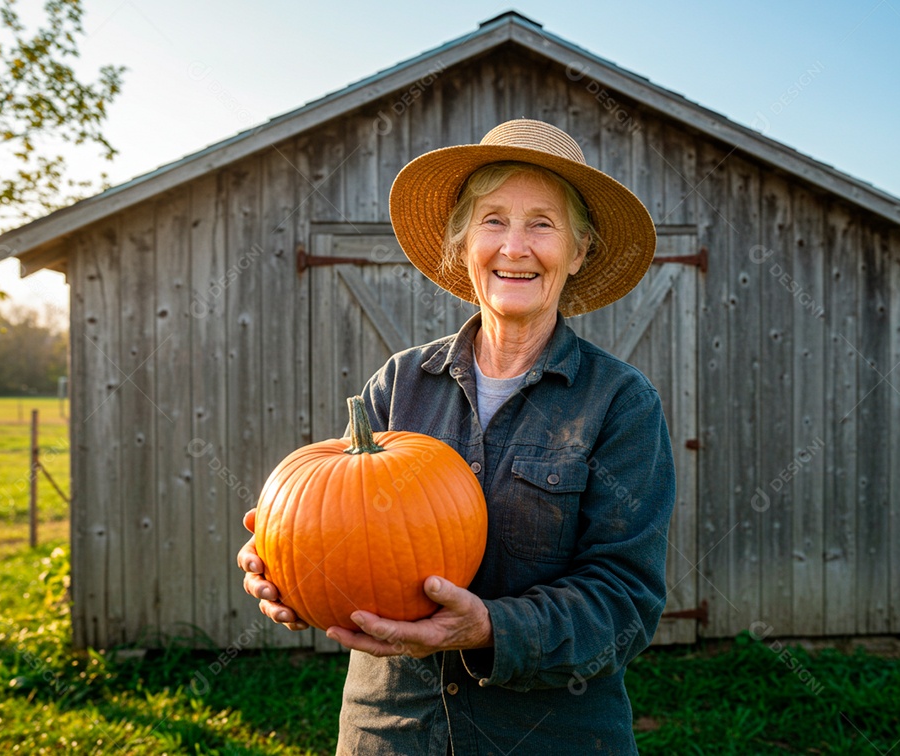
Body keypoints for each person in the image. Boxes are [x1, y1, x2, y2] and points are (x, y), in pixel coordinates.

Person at [238, 119, 676, 755]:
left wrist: (490, 629)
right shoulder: (400, 384)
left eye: (543, 224)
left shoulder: (619, 403)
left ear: (579, 253)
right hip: (391, 733)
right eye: (492, 220)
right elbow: (344, 531)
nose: (514, 247)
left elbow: (625, 604)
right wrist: (287, 565)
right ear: (462, 244)